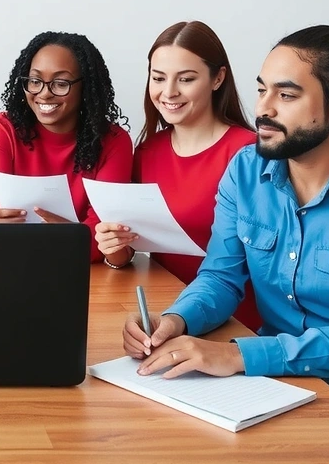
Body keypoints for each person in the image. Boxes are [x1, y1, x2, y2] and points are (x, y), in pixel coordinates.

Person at [123, 1, 329, 452]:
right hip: (286, 361)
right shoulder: (244, 171)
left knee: (304, 460)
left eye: (287, 95)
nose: (264, 109)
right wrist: (177, 319)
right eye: (262, 90)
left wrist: (236, 355)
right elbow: (220, 277)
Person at [95, 21, 262, 330]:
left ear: (218, 79)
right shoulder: (147, 151)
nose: (169, 92)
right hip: (169, 313)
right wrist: (113, 246)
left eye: (186, 79)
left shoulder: (248, 153)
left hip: (238, 322)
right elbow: (128, 251)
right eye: (158, 78)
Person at [0, 31, 133, 264]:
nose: (44, 93)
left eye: (60, 83)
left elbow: (103, 236)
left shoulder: (113, 141)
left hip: (79, 270)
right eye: (35, 81)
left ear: (85, 87)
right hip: (9, 263)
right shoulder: (2, 129)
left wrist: (68, 238)